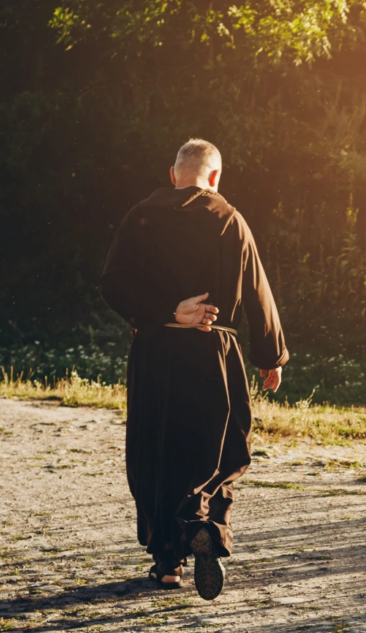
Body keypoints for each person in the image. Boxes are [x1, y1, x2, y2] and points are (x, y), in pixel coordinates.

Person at [100, 138, 288, 599]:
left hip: (155, 353)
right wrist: (271, 356)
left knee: (158, 451)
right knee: (219, 450)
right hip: (214, 353)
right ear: (216, 177)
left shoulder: (139, 217)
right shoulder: (229, 219)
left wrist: (167, 311)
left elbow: (112, 286)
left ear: (173, 174)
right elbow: (258, 290)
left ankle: (167, 563)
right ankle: (203, 525)